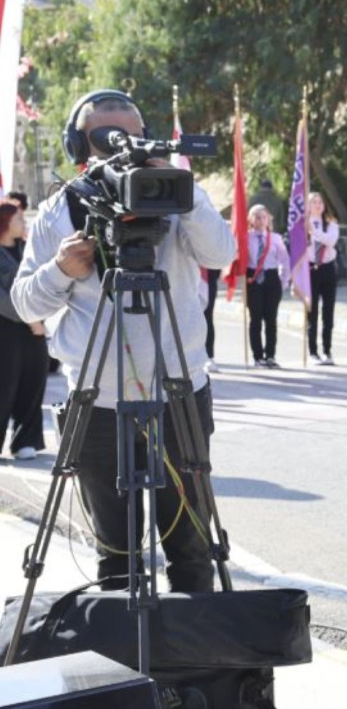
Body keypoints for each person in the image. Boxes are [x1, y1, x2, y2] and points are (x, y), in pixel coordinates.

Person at [12, 89, 234, 591]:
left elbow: (221, 255)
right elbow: (27, 304)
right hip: (99, 407)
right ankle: (120, 665)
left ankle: (191, 661)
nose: (119, 149)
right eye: (105, 138)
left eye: (129, 137)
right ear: (79, 147)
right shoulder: (59, 210)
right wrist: (61, 271)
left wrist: (183, 188)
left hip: (179, 395)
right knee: (116, 559)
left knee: (192, 551)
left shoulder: (178, 197)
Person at [0, 201, 47, 461]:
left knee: (33, 382)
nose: (24, 223)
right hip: (7, 329)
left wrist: (39, 317)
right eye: (19, 219)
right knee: (4, 385)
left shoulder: (28, 251)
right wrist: (29, 318)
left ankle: (25, 440)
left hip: (34, 330)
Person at [244, 204, 289, 369]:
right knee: (255, 318)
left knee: (271, 319)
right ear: (251, 220)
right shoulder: (245, 237)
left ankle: (270, 355)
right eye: (256, 217)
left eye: (263, 217)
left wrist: (282, 282)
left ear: (268, 219)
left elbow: (285, 261)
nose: (261, 220)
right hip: (253, 278)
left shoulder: (275, 238)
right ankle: (258, 356)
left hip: (271, 277)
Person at [305, 192, 339, 365]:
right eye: (313, 202)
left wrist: (315, 231)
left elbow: (330, 241)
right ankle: (313, 351)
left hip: (327, 268)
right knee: (312, 313)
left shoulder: (331, 224)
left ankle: (327, 350)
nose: (317, 205)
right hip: (310, 269)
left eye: (320, 202)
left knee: (328, 311)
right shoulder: (303, 225)